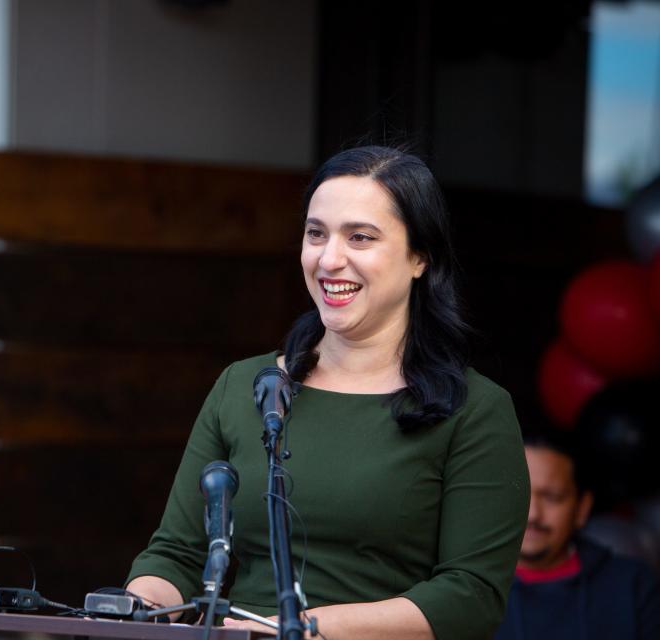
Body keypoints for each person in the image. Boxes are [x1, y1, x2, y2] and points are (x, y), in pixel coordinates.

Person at [126, 146, 530, 639]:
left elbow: (470, 597)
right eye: (316, 234)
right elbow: (177, 554)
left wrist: (308, 628)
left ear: (420, 256)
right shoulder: (245, 386)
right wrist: (131, 608)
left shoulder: (476, 410)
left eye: (360, 237)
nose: (329, 259)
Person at [493, 431, 660, 639]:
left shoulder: (633, 586)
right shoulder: (459, 589)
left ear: (582, 508)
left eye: (552, 497)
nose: (533, 514)